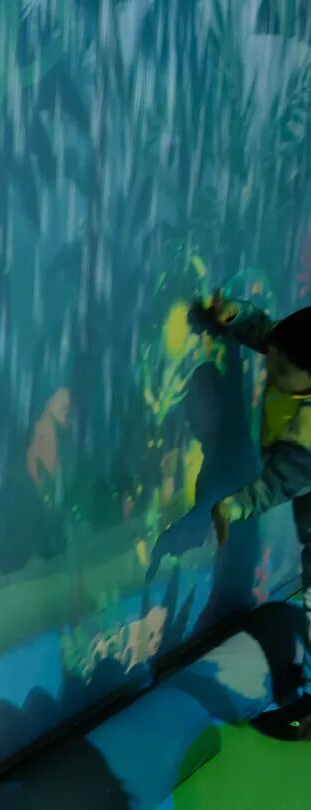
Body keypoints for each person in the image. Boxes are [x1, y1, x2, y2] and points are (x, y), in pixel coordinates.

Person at [209, 293, 311, 741]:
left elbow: (275, 485)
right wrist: (236, 317)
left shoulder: (306, 438)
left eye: (282, 371)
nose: (271, 373)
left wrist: (233, 506)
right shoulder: (292, 357)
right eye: (273, 362)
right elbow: (268, 335)